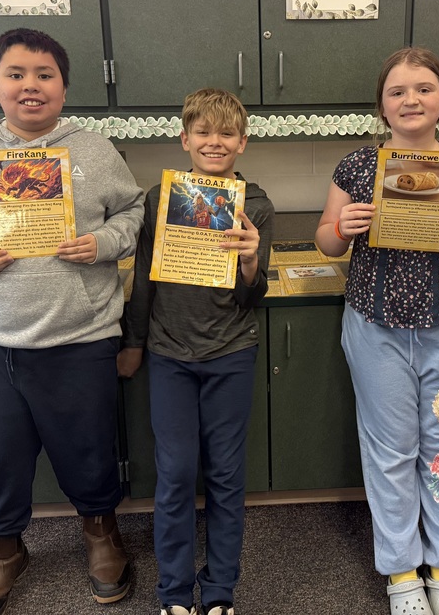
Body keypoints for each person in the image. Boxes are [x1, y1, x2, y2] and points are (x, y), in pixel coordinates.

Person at [0, 28, 144, 615]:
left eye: (44, 75)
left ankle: (102, 536)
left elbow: (134, 213)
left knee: (90, 447)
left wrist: (101, 243)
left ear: (63, 86)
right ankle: (2, 550)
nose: (30, 86)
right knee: (1, 453)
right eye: (15, 74)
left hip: (82, 334)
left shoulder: (94, 149)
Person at [314, 47, 439, 615]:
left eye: (423, 88)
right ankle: (400, 572)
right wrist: (341, 227)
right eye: (397, 91)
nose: (410, 99)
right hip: (377, 331)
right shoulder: (357, 167)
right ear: (383, 106)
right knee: (390, 452)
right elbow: (326, 241)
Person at [118, 88, 274, 615]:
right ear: (185, 139)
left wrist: (251, 262)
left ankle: (221, 589)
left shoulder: (255, 205)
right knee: (177, 473)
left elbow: (254, 296)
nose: (214, 141)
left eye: (226, 133)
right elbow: (143, 279)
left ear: (243, 143)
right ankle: (174, 592)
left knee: (226, 475)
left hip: (231, 353)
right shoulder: (160, 201)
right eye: (203, 132)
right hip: (169, 355)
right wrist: (134, 343)